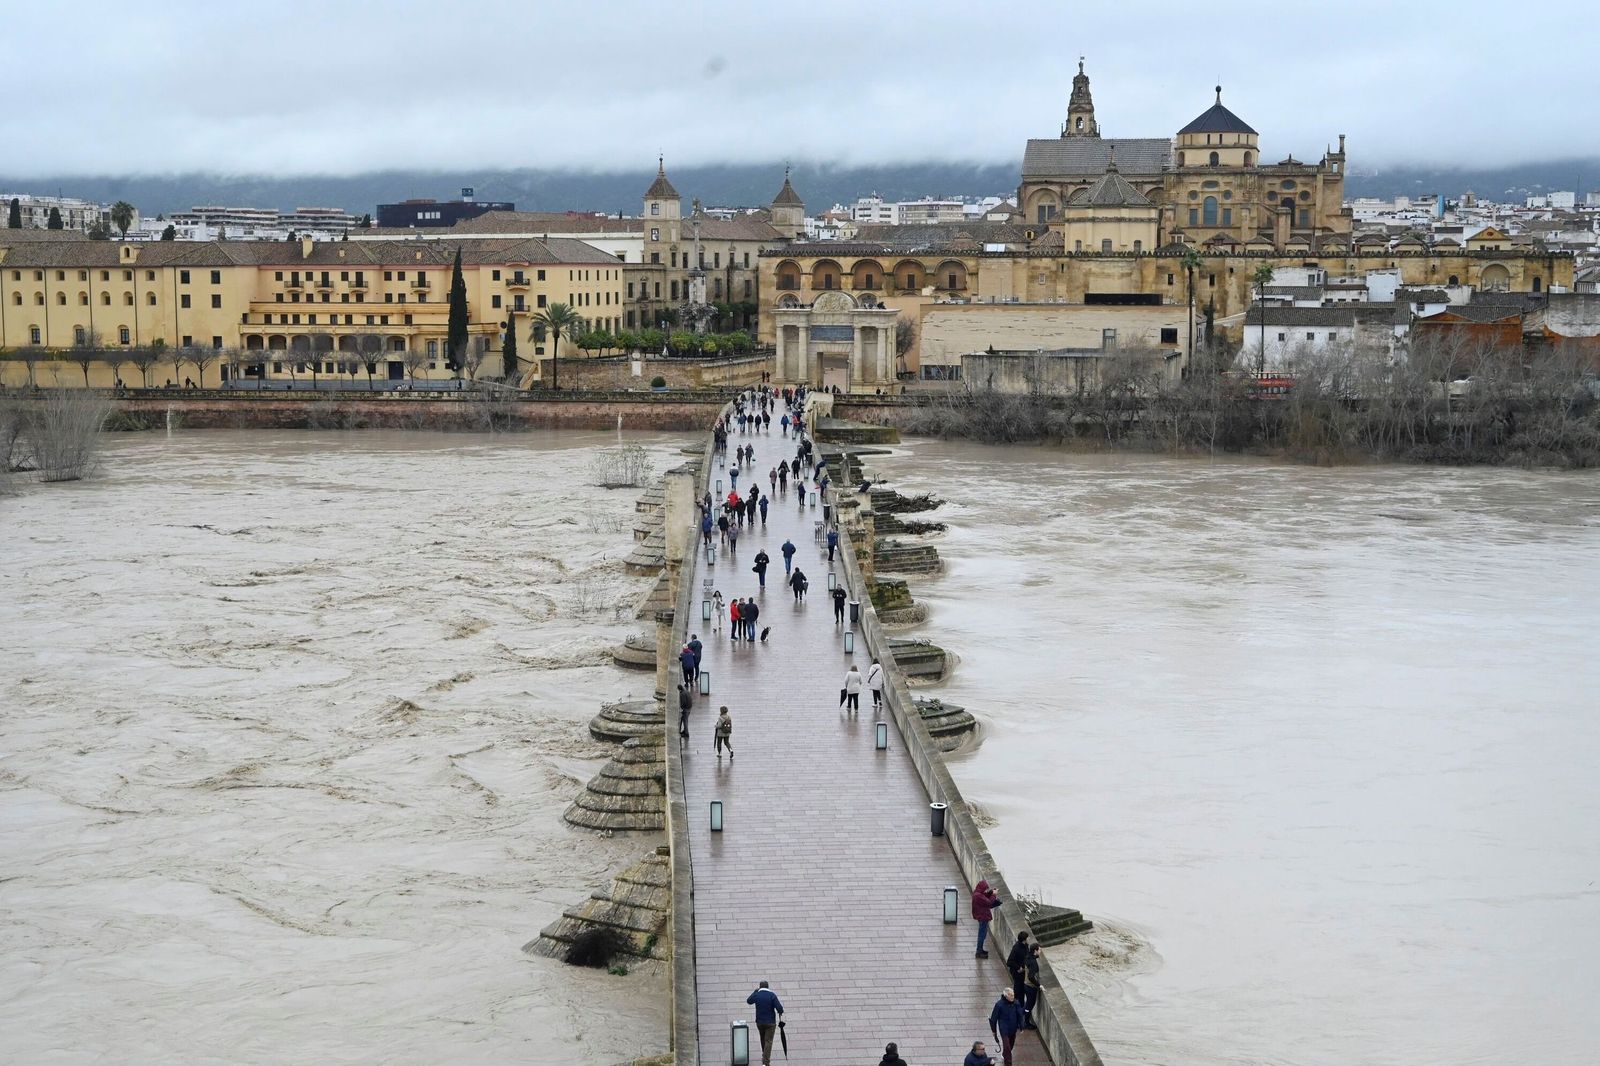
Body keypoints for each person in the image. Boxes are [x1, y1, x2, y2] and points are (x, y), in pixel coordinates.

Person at [745, 980, 783, 1066]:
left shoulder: (757, 995)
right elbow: (779, 1008)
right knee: (768, 1041)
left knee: (763, 1039)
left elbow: (749, 1001)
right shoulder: (772, 995)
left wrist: (755, 991)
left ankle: (764, 1055)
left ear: (760, 987)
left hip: (760, 1022)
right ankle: (766, 1062)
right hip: (770, 1023)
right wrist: (780, 1012)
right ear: (768, 987)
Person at [988, 987, 1026, 1066]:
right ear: (1006, 996)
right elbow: (993, 1019)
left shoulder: (1016, 1003)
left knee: (1011, 1044)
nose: (1013, 997)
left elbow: (1019, 1015)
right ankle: (1008, 1064)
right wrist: (994, 1031)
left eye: (1013, 995)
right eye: (1011, 995)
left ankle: (1004, 1054)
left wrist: (1021, 1026)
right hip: (1004, 1029)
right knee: (1007, 1046)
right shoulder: (999, 1005)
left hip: (1013, 1028)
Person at [972, 879, 1001, 957]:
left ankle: (980, 950)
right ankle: (979, 952)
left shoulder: (977, 893)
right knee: (982, 934)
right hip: (983, 916)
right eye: (985, 889)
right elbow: (989, 902)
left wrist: (991, 892)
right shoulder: (978, 896)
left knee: (983, 933)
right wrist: (994, 895)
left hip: (982, 915)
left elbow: (985, 896)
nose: (985, 890)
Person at [1005, 931, 1032, 1002]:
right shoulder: (1016, 948)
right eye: (1028, 938)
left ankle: (1020, 1005)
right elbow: (1009, 962)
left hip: (1023, 973)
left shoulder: (1026, 946)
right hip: (1017, 973)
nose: (1029, 939)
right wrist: (1018, 967)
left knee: (1022, 991)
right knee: (1018, 991)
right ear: (1024, 940)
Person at [1021, 941, 1042, 1028]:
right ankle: (1025, 1023)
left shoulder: (1028, 957)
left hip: (1026, 985)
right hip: (1031, 987)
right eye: (1039, 950)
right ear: (1035, 951)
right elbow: (1031, 977)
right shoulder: (1033, 963)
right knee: (1029, 1006)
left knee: (1027, 1004)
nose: (1040, 951)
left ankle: (1020, 1018)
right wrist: (1039, 985)